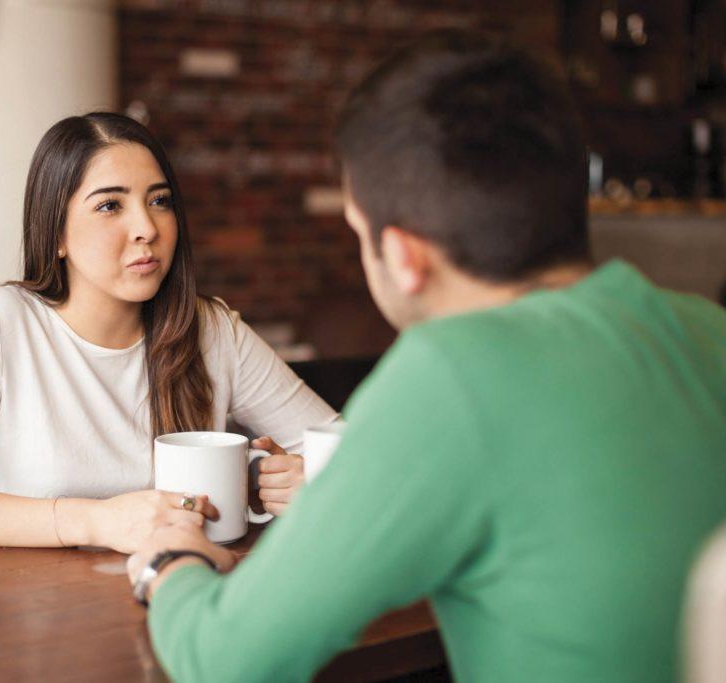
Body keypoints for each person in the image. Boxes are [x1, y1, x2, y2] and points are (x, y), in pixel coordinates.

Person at [126, 30, 726, 683]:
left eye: (360, 235)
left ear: (404, 256)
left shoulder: (455, 371)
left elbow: (224, 659)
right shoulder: (707, 327)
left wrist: (170, 562)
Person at [0, 112, 337, 552]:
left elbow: (358, 455)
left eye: (159, 201)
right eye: (110, 205)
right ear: (54, 232)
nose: (146, 228)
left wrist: (311, 480)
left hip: (177, 593)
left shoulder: (211, 329)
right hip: (29, 613)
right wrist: (98, 520)